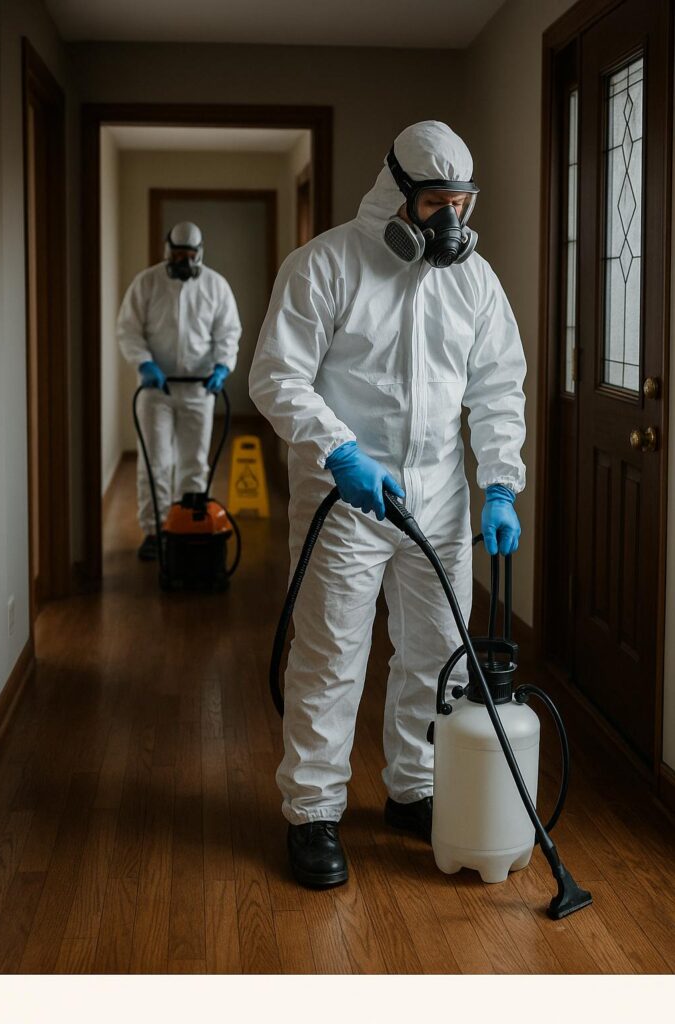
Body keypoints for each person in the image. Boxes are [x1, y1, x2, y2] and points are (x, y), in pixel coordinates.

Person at [249, 121, 526, 890]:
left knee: (438, 656)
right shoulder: (326, 265)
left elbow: (497, 387)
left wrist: (500, 484)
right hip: (346, 494)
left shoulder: (474, 282)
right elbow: (275, 376)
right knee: (331, 655)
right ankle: (312, 812)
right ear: (395, 193)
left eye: (460, 204)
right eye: (434, 203)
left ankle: (413, 788)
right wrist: (339, 451)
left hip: (439, 495)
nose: (449, 222)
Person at [118, 221, 241, 560]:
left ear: (199, 253)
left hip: (199, 389)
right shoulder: (147, 283)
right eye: (177, 255)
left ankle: (189, 525)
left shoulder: (216, 286)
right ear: (167, 251)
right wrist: (144, 362)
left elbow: (228, 332)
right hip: (155, 389)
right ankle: (155, 530)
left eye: (188, 255)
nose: (182, 261)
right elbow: (129, 329)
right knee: (155, 460)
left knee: (194, 462)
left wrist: (222, 366)